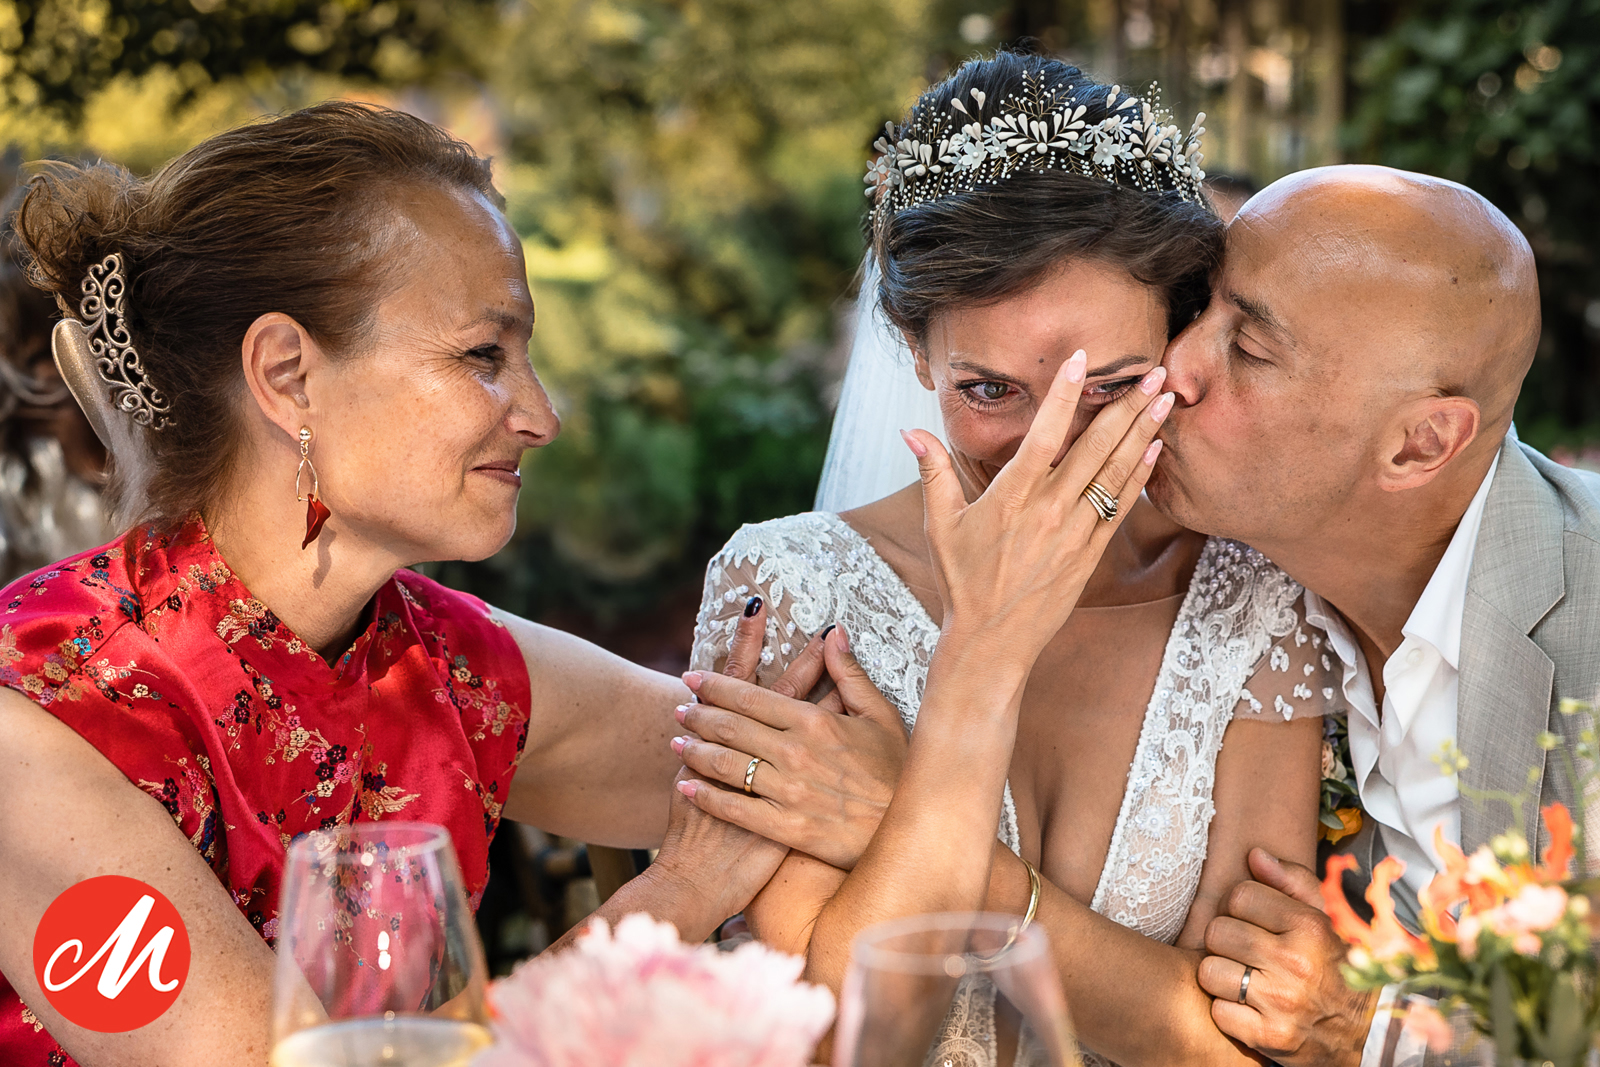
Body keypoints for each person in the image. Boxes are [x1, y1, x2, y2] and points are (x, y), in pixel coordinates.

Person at [0, 103, 902, 1067]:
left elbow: (793, 782)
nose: (542, 415)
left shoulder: (446, 666)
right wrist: (672, 898)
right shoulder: (40, 723)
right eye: (484, 354)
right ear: (287, 374)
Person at [677, 54, 1337, 1066]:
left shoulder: (1253, 599)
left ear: (1177, 335)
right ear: (914, 353)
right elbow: (844, 1045)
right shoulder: (792, 589)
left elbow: (1235, 1045)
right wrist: (980, 656)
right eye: (989, 391)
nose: (1050, 450)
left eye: (1110, 385)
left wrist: (906, 827)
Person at [1146, 166, 1600, 1067]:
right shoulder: (1229, 584)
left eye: (1250, 348)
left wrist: (1371, 1031)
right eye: (1201, 312)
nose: (1175, 367)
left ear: (1419, 443)